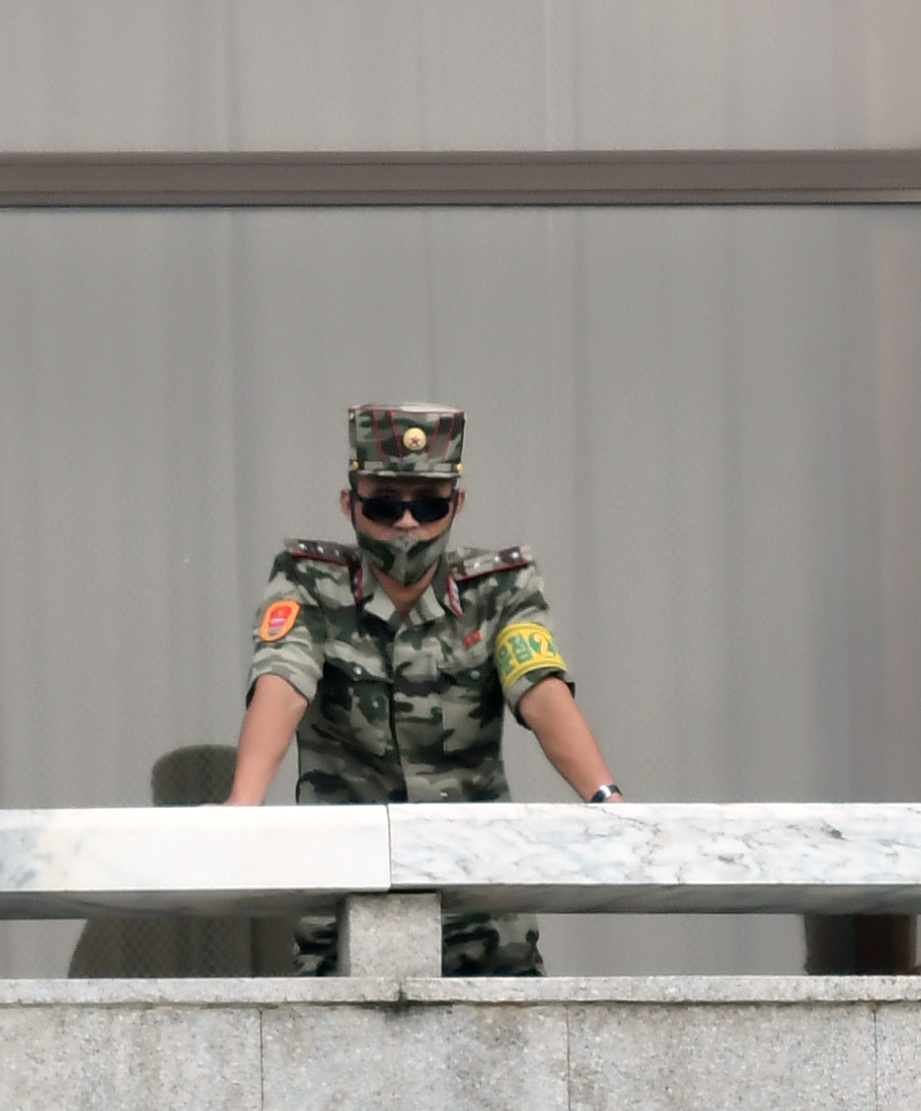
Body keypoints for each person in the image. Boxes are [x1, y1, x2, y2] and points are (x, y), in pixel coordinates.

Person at [225, 403, 624, 976]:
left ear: (457, 505)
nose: (407, 524)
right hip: (347, 908)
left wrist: (607, 802)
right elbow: (283, 678)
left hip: (482, 910)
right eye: (385, 505)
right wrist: (243, 807)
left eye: (429, 505)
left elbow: (538, 688)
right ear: (350, 505)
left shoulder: (500, 589)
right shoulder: (308, 580)